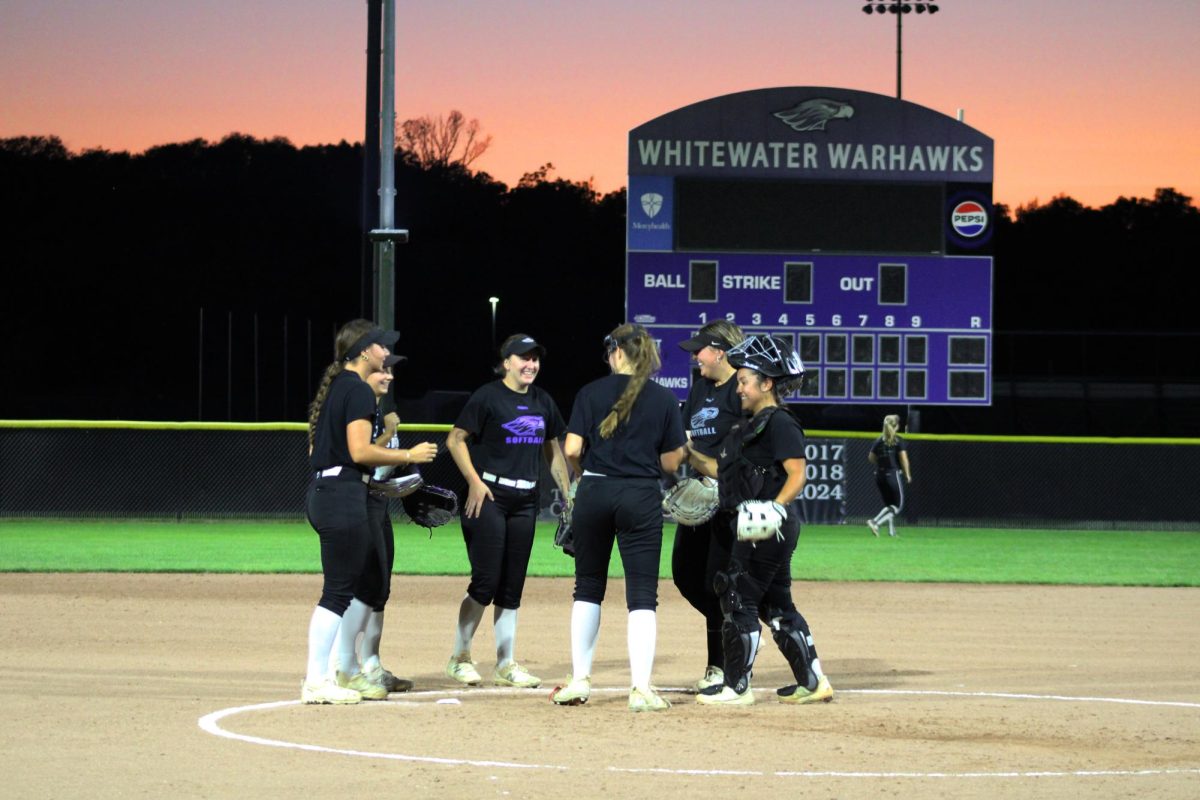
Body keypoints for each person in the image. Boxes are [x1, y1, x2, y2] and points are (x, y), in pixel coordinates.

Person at [687, 334, 834, 706]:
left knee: (737, 595)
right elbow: (722, 470)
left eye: (745, 380)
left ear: (767, 383)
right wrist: (686, 455)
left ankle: (737, 686)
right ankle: (813, 682)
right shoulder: (748, 426)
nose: (738, 387)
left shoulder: (780, 422)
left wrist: (775, 508)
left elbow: (797, 474)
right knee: (776, 605)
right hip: (754, 522)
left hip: (766, 524)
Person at [550, 323, 687, 712]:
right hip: (640, 494)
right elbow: (673, 459)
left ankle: (579, 680)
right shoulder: (662, 398)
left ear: (616, 353)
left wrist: (584, 475)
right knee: (642, 594)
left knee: (588, 587)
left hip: (595, 490)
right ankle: (641, 688)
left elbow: (573, 447)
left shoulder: (590, 392)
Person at [301, 320, 437, 704]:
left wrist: (385, 484)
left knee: (343, 590)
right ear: (364, 351)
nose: (385, 354)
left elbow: (338, 455)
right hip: (342, 497)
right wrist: (408, 455)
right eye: (381, 347)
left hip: (332, 491)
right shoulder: (357, 391)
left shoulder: (339, 388)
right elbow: (360, 453)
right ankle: (318, 680)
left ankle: (333, 673)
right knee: (337, 593)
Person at [444, 334, 572, 689]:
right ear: (506, 363)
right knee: (485, 582)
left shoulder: (543, 401)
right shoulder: (488, 396)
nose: (530, 364)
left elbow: (554, 451)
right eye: (523, 358)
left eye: (535, 358)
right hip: (488, 497)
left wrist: (569, 494)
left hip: (525, 501)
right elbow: (455, 439)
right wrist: (473, 479)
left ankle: (505, 663)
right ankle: (460, 657)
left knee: (512, 587)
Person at [672, 321, 746, 693]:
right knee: (684, 575)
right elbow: (684, 438)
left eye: (700, 350)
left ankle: (717, 666)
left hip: (730, 500)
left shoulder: (743, 388)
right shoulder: (701, 387)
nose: (694, 356)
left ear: (719, 352)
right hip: (700, 496)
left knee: (714, 582)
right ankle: (741, 629)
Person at [347, 354, 414, 693]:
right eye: (382, 370)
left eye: (390, 371)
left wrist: (406, 486)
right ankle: (346, 665)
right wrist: (389, 433)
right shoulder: (364, 413)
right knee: (363, 586)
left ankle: (371, 662)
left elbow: (378, 473)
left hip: (378, 503)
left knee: (380, 588)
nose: (388, 376)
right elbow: (363, 455)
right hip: (359, 505)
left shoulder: (376, 411)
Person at [867, 414, 913, 538]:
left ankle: (891, 532)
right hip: (892, 474)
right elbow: (903, 459)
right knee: (897, 506)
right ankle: (875, 522)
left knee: (889, 506)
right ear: (896, 426)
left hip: (879, 475)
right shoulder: (898, 440)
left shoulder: (878, 440)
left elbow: (871, 458)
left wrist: (882, 462)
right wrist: (908, 474)